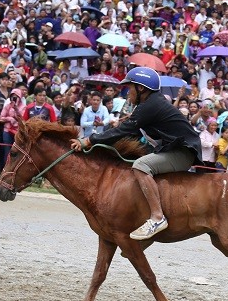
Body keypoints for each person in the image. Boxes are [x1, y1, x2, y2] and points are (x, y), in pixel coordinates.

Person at [70, 66, 201, 241]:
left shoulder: (150, 106)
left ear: (141, 88)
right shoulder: (150, 104)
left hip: (183, 152)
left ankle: (157, 217)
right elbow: (130, 131)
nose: (128, 93)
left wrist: (89, 140)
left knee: (140, 166)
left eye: (130, 88)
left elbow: (123, 131)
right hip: (175, 149)